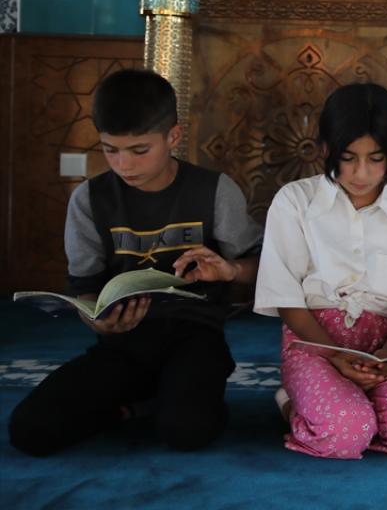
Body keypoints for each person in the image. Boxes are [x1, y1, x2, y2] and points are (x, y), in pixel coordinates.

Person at [8, 69, 263, 455]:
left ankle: (165, 401)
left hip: (196, 337)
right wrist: (97, 321)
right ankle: (142, 405)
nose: (123, 164)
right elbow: (84, 287)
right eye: (110, 150)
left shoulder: (213, 190)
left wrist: (231, 270)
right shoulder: (89, 200)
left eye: (139, 150)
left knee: (187, 431)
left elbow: (262, 264)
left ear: (173, 137)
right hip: (123, 345)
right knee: (30, 430)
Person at [254, 83, 387, 459]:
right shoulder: (295, 202)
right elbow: (285, 295)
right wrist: (334, 354)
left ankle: (357, 406)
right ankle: (292, 401)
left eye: (376, 158)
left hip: (383, 352)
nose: (361, 173)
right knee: (345, 433)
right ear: (326, 149)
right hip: (314, 347)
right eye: (348, 157)